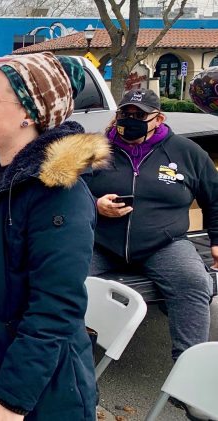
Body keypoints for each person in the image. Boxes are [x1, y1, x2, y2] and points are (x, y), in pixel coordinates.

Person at [0, 52, 110, 420]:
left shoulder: (58, 193)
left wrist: (15, 398)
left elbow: (55, 309)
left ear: (30, 113)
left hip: (22, 384)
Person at [83, 89, 217, 364]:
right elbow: (65, 192)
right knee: (59, 278)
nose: (130, 119)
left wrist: (216, 241)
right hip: (100, 242)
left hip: (163, 245)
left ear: (158, 119)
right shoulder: (92, 150)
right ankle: (67, 358)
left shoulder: (186, 152)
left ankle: (189, 367)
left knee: (194, 282)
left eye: (140, 115)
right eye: (125, 113)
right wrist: (94, 204)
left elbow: (214, 200)